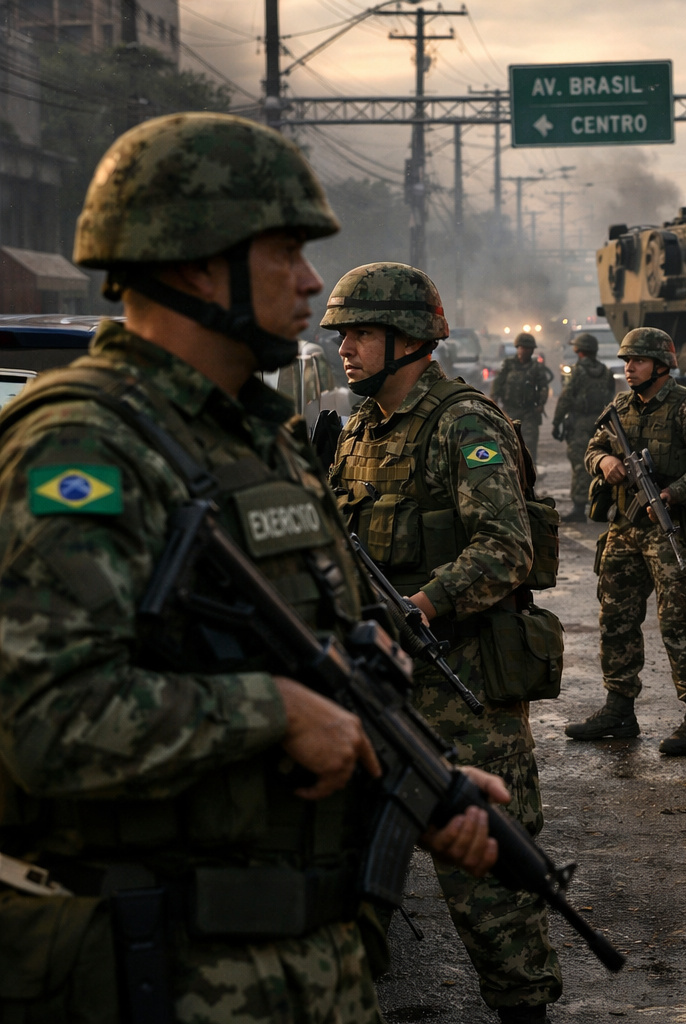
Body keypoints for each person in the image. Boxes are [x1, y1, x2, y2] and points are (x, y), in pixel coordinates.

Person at [0, 112, 503, 1024]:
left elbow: (313, 654)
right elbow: (43, 720)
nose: (312, 283)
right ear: (197, 263)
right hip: (163, 971)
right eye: (284, 252)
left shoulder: (253, 439)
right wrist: (271, 714)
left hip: (302, 966)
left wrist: (415, 780)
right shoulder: (84, 445)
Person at [326, 263, 562, 1024]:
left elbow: (506, 548)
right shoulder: (361, 427)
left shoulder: (465, 423)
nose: (345, 348)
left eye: (360, 333)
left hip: (461, 689)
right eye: (343, 334)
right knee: (350, 875)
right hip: (377, 685)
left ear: (408, 339)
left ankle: (524, 1010)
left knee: (490, 889)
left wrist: (421, 606)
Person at [565, 327, 686, 756]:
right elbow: (591, 448)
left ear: (660, 364)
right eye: (626, 361)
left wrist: (671, 495)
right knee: (615, 618)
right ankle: (619, 710)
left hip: (669, 529)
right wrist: (605, 461)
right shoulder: (620, 406)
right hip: (625, 528)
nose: (628, 368)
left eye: (636, 361)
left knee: (680, 622)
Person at [551, 332, 616, 517]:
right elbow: (611, 396)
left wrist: (556, 422)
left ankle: (579, 507)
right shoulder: (606, 371)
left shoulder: (577, 371)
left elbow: (565, 398)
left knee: (580, 463)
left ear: (579, 351)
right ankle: (601, 506)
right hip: (602, 424)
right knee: (602, 462)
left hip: (579, 423)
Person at [493, 332, 553, 465]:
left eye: (528, 348)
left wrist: (541, 403)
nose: (525, 351)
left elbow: (543, 387)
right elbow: (498, 383)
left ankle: (530, 471)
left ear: (532, 350)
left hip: (529, 412)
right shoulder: (508, 365)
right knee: (508, 443)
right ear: (517, 348)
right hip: (510, 410)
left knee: (530, 444)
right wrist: (494, 400)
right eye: (522, 348)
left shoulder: (536, 367)